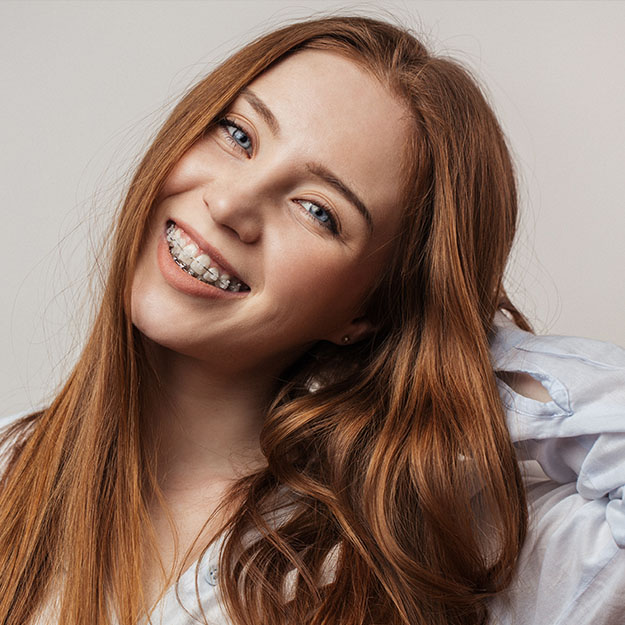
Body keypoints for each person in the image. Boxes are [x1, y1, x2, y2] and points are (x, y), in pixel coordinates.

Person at [0, 15, 623, 625]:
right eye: (238, 135)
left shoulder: (444, 542)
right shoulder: (9, 471)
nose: (230, 203)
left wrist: (444, 358)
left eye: (318, 211)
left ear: (370, 309)